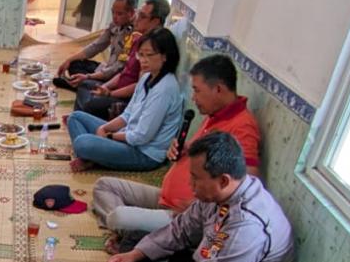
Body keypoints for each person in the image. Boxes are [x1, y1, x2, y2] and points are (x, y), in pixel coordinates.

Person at [87, 131, 294, 262]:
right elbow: (180, 230)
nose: (190, 184)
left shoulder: (247, 228)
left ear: (223, 180)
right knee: (137, 241)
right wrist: (134, 255)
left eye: (195, 178)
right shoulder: (223, 192)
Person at [92, 54, 262, 246]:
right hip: (164, 197)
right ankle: (138, 235)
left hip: (184, 215)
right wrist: (184, 150)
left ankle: (144, 237)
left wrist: (198, 208)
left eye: (197, 90)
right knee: (103, 186)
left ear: (218, 89)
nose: (193, 98)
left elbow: (245, 188)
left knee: (119, 217)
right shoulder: (214, 115)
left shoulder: (242, 127)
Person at [66, 27, 183, 172]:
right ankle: (91, 157)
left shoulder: (165, 89)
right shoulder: (147, 77)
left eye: (149, 55)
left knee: (82, 143)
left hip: (144, 153)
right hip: (128, 136)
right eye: (141, 55)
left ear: (165, 56)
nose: (143, 60)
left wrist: (109, 136)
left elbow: (141, 137)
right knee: (75, 118)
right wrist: (104, 128)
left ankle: (91, 155)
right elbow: (127, 114)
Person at [75, 0, 169, 116]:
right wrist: (104, 87)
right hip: (115, 86)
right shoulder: (138, 39)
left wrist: (109, 93)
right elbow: (123, 73)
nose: (137, 18)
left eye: (142, 16)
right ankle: (80, 117)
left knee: (91, 104)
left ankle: (82, 118)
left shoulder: (155, 48)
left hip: (126, 98)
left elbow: (139, 86)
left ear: (155, 21)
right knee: (85, 85)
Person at [54, 0, 138, 90]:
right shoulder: (115, 24)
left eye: (119, 14)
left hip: (116, 77)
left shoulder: (136, 34)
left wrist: (88, 76)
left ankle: (85, 86)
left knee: (89, 81)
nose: (114, 17)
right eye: (113, 12)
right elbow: (96, 46)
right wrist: (68, 60)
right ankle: (84, 85)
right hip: (106, 68)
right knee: (75, 63)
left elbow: (118, 68)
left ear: (132, 13)